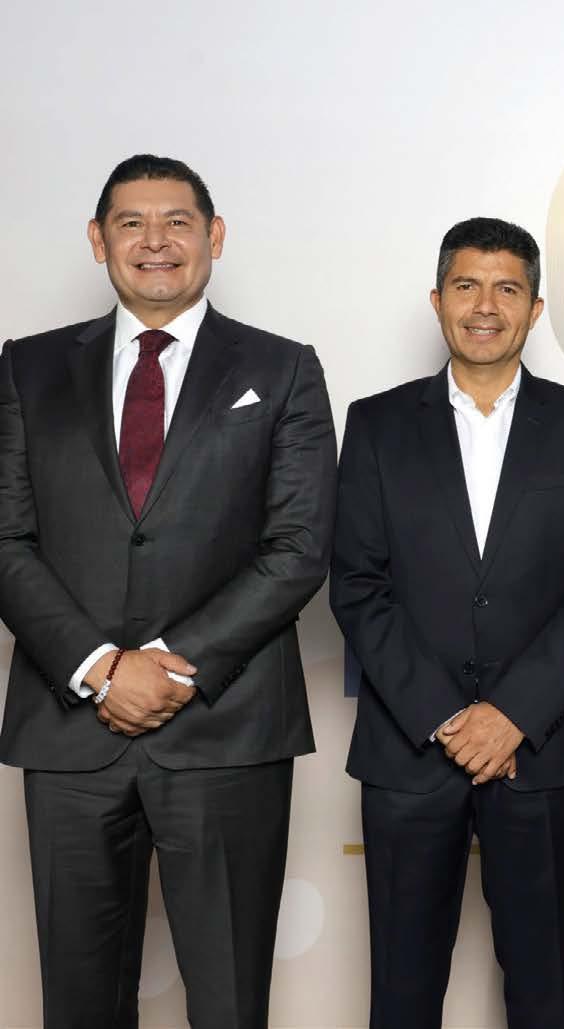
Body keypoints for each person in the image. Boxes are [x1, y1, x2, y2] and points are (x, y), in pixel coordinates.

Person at [0, 154, 337, 1028]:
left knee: (228, 1002)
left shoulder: (284, 369)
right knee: (78, 1003)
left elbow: (299, 547)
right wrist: (99, 668)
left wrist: (165, 664)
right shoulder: (28, 369)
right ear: (98, 239)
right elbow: (5, 539)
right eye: (131, 222)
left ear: (214, 235)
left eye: (178, 221)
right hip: (71, 732)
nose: (156, 241)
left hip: (226, 732)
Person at [329, 216, 564, 1029]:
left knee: (540, 993)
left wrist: (512, 714)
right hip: (408, 747)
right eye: (466, 285)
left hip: (538, 750)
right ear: (437, 300)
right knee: (401, 993)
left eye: (507, 288)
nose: (485, 305)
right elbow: (357, 584)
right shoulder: (378, 423)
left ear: (535, 309)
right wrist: (444, 716)